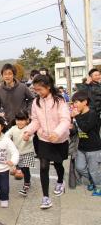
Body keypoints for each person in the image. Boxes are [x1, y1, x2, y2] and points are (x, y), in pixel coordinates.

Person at [23, 74, 70, 209]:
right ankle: (45, 197)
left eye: (40, 90)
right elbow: (36, 121)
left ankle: (61, 181)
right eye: (35, 90)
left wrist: (57, 132)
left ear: (48, 87)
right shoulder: (36, 102)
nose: (37, 92)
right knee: (43, 166)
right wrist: (28, 131)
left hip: (59, 138)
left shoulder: (59, 100)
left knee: (58, 164)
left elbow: (66, 119)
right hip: (44, 138)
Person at [71, 91, 101, 196]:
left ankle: (98, 188)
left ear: (85, 102)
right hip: (81, 147)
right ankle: (93, 181)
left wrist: (76, 117)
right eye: (73, 102)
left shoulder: (92, 114)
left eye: (77, 102)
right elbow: (76, 131)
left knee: (94, 171)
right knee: (79, 168)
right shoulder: (78, 114)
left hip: (94, 148)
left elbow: (85, 128)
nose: (74, 105)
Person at [6, 111, 35, 196]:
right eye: (18, 120)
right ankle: (19, 172)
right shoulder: (13, 128)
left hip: (27, 152)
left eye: (22, 120)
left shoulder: (29, 128)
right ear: (15, 120)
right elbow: (7, 135)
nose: (20, 122)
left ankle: (26, 184)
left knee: (25, 169)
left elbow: (31, 138)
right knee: (19, 168)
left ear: (27, 120)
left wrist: (27, 138)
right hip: (17, 152)